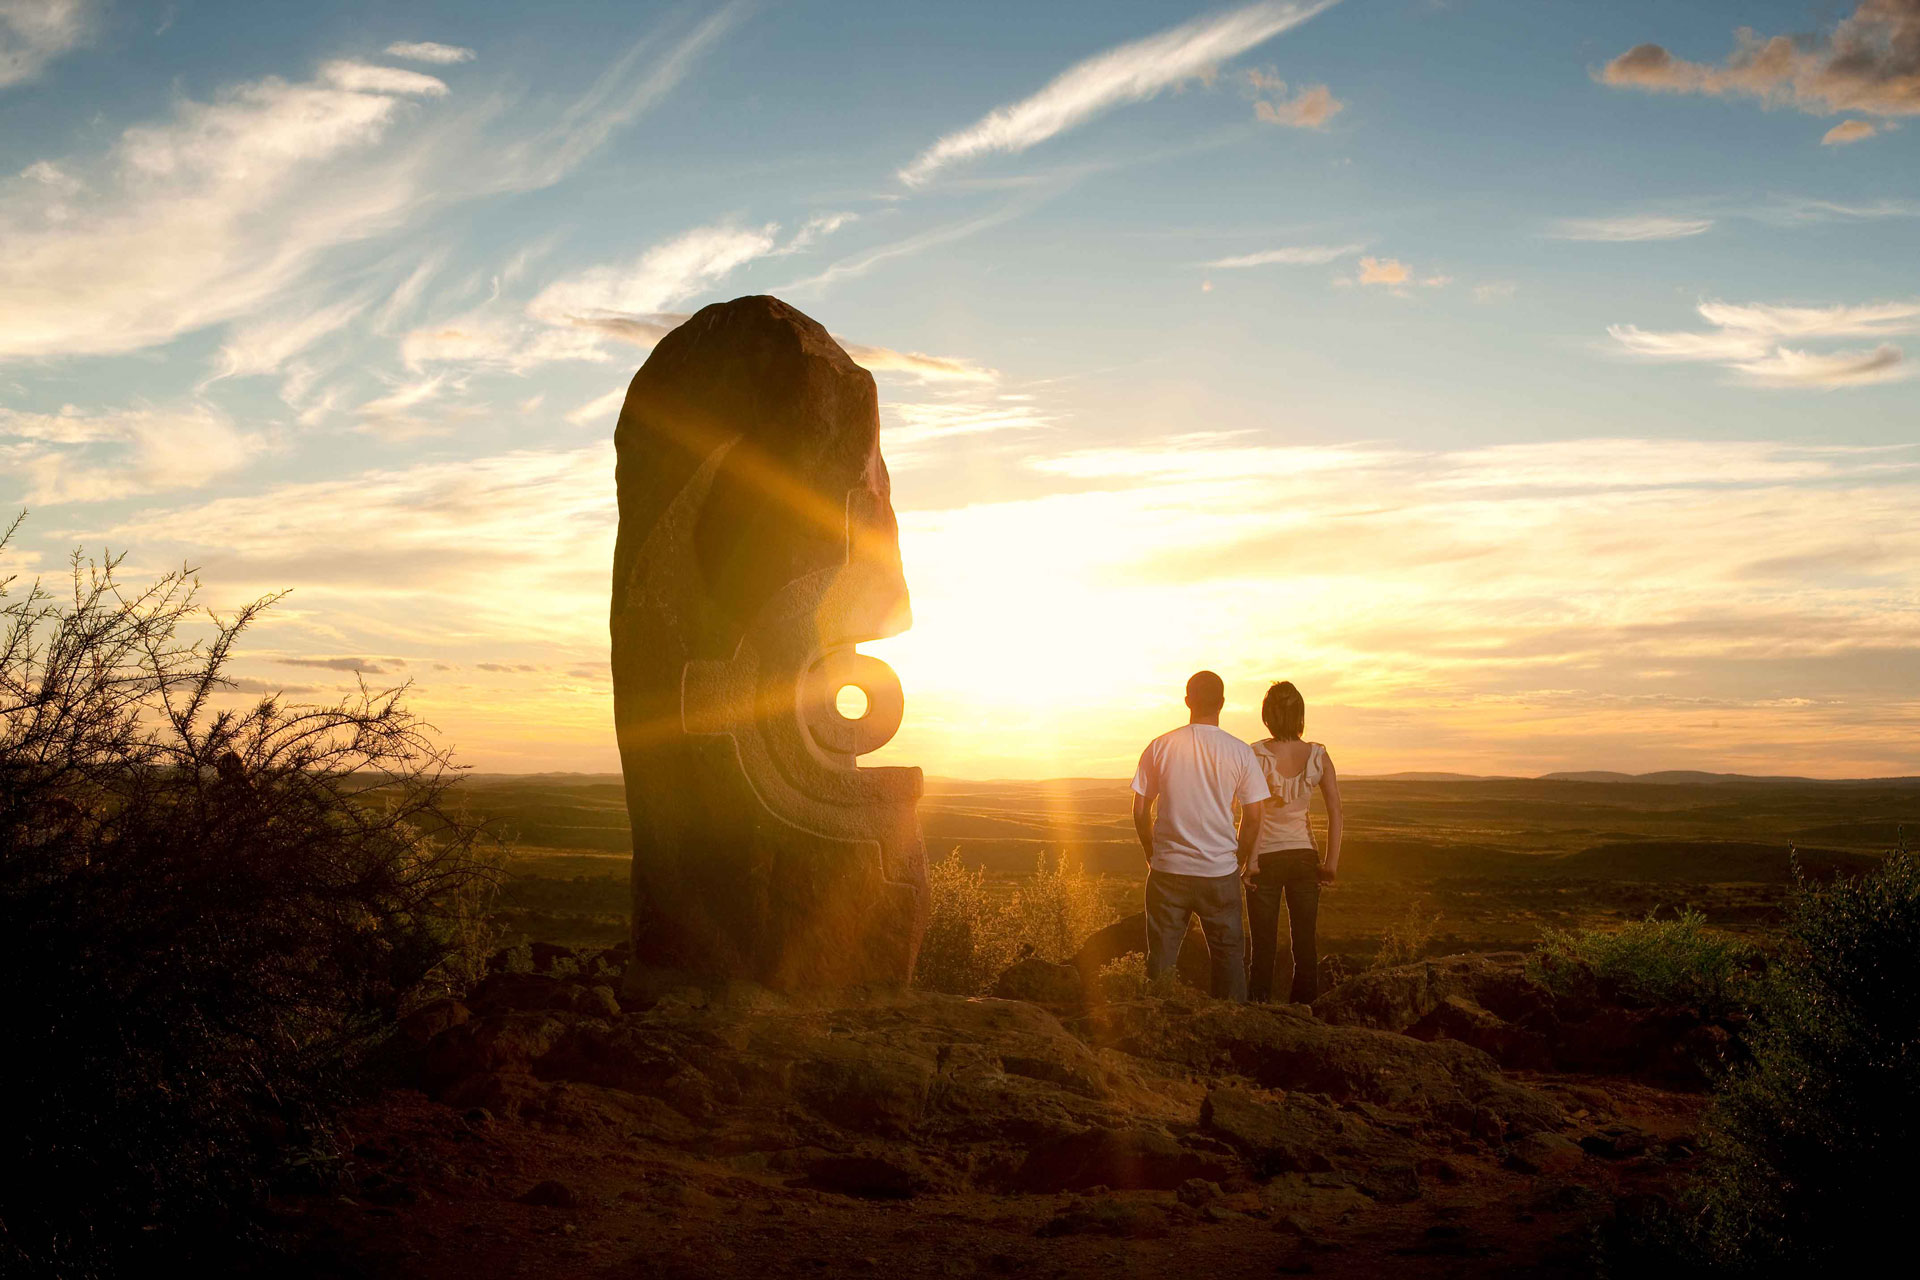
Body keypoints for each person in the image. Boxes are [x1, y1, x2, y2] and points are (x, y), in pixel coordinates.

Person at [1131, 671, 1269, 1001]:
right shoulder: (1239, 752)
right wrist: (1238, 859)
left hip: (1167, 872)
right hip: (1219, 873)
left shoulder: (1160, 746)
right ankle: (1232, 1032)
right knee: (1228, 959)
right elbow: (1254, 816)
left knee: (1161, 962)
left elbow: (1139, 811)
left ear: (1187, 701)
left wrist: (1151, 850)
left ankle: (1155, 1029)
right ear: (1222, 703)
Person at [1243, 681, 1344, 1004]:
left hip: (1265, 859)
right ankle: (1306, 1013)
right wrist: (1330, 864)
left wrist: (1249, 862)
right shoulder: (1318, 755)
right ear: (1300, 714)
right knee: (1305, 945)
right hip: (1304, 856)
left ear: (1267, 715)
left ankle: (1258, 1011)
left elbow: (1250, 814)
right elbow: (1336, 812)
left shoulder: (1255, 754)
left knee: (1263, 946)